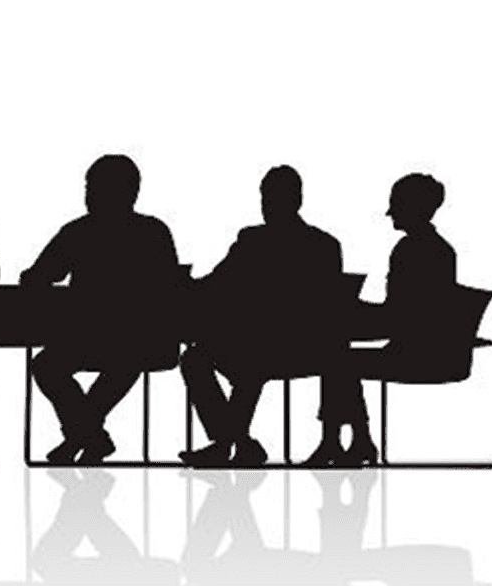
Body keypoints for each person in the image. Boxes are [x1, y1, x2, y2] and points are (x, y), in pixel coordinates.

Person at [20, 154, 182, 463]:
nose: (88, 194)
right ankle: (89, 435)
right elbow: (170, 285)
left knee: (47, 366)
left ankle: (84, 436)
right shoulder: (154, 232)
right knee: (122, 361)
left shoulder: (78, 232)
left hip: (96, 338)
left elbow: (38, 276)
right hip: (141, 340)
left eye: (91, 187)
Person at [180, 165, 343, 467]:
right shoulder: (325, 245)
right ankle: (236, 441)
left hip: (266, 348)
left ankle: (227, 442)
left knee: (202, 358)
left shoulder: (253, 241)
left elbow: (217, 285)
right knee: (224, 359)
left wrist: (185, 286)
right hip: (308, 349)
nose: (266, 206)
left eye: (269, 198)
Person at [305, 173, 458, 467]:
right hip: (430, 347)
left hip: (416, 352)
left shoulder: (411, 250)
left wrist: (352, 309)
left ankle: (337, 442)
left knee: (336, 357)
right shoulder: (439, 249)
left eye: (396, 205)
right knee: (340, 356)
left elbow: (401, 315)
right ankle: (355, 440)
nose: (391, 214)